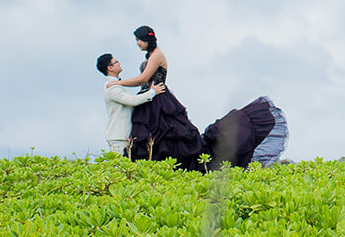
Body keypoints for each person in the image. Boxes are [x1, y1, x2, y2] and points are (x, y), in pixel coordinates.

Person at [106, 25, 288, 169]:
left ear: (146, 39)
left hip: (159, 99)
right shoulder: (150, 55)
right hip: (149, 100)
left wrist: (118, 83)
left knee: (169, 137)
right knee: (150, 139)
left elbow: (144, 78)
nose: (137, 43)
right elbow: (143, 81)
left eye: (138, 40)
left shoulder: (157, 54)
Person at [97, 52, 164, 154]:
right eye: (115, 62)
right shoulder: (112, 87)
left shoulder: (115, 85)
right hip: (118, 136)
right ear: (110, 68)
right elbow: (132, 100)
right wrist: (153, 92)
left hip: (123, 136)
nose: (119, 63)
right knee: (119, 168)